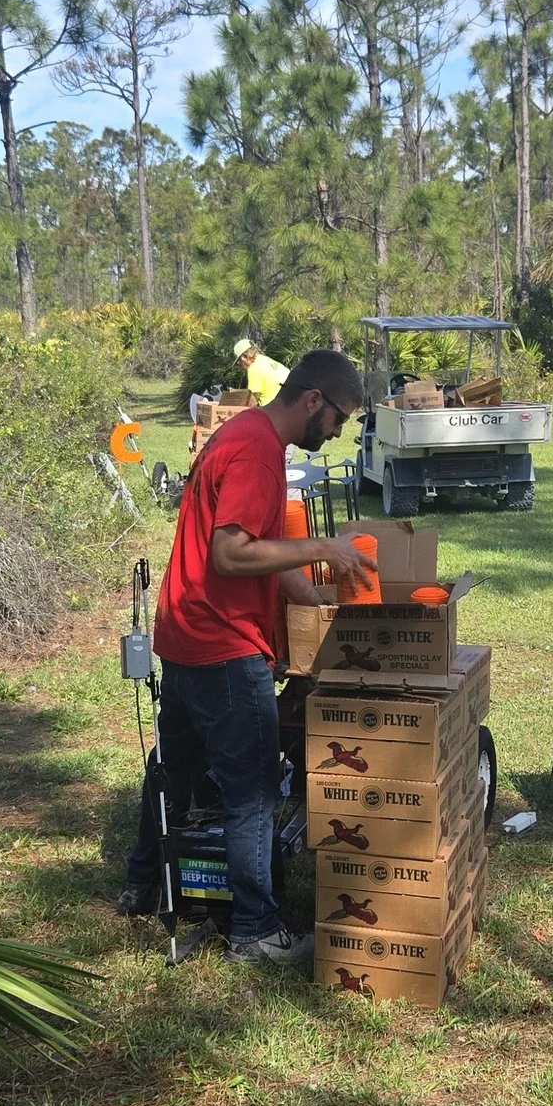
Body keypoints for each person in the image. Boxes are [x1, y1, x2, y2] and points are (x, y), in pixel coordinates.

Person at [121, 349, 375, 965]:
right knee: (252, 790)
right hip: (224, 645)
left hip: (182, 635)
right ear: (313, 400)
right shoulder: (258, 453)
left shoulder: (243, 432)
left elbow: (272, 546)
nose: (339, 432)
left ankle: (141, 881)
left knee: (174, 767)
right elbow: (231, 555)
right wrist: (327, 547)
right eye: (339, 417)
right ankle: (256, 931)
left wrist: (316, 605)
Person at [235, 337, 290, 406]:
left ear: (245, 357)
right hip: (288, 404)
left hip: (273, 410)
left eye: (239, 361)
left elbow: (252, 403)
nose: (239, 365)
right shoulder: (265, 360)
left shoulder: (253, 369)